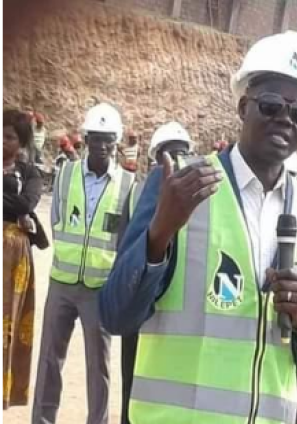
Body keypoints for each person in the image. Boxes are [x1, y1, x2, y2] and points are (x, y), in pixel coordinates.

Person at [100, 31, 297, 424]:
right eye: (271, 105)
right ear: (244, 106)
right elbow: (114, 314)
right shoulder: (180, 186)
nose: (285, 120)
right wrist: (159, 234)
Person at [32, 103, 135, 424]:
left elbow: (125, 236)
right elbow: (57, 217)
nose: (101, 146)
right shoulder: (65, 175)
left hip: (99, 289)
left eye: (108, 139)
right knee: (49, 359)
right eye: (95, 138)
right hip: (62, 282)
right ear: (86, 139)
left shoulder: (128, 185)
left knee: (98, 366)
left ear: (116, 142)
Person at [116, 121, 194, 424]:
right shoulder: (136, 195)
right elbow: (123, 249)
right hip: (138, 301)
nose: (174, 160)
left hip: (174, 310)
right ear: (155, 157)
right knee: (131, 380)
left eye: (180, 153)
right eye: (167, 153)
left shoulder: (202, 197)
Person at [3, 109, 43, 409]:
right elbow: (20, 206)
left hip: (15, 260)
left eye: (10, 137)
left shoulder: (30, 173)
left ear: (23, 142)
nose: (3, 142)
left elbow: (28, 203)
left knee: (9, 323)